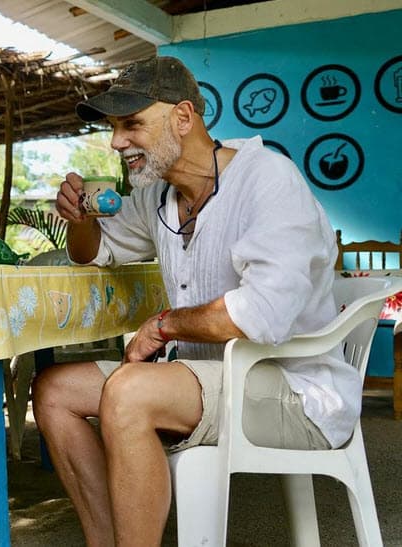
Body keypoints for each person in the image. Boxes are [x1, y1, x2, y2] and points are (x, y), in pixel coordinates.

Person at [33, 55, 355, 546]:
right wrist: (81, 221)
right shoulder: (158, 196)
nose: (116, 142)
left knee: (130, 390)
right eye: (114, 128)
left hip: (295, 391)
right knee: (54, 390)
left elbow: (261, 314)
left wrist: (164, 325)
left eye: (132, 124)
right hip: (205, 380)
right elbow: (94, 253)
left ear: (183, 118)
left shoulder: (268, 180)